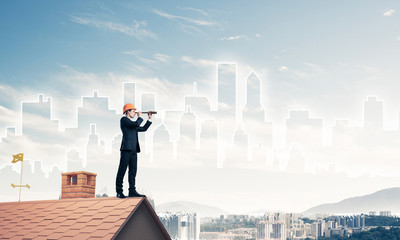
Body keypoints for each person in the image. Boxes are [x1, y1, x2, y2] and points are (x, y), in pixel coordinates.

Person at [116, 103, 152, 198]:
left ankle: (132, 191)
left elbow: (143, 128)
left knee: (133, 171)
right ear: (127, 111)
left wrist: (149, 119)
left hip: (134, 150)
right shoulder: (124, 120)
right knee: (122, 170)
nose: (135, 113)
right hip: (126, 149)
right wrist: (140, 116)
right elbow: (136, 123)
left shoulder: (133, 125)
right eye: (133, 111)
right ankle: (119, 191)